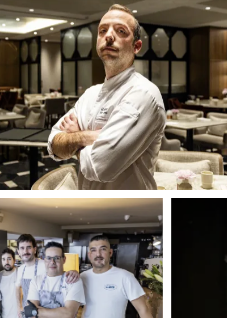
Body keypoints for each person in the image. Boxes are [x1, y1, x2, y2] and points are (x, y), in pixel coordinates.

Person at [48, 3, 166, 190]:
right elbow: (53, 145)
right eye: (103, 30)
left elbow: (98, 167)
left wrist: (74, 136)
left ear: (136, 46)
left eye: (121, 31)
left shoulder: (144, 94)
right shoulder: (90, 94)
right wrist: (89, 137)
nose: (109, 36)